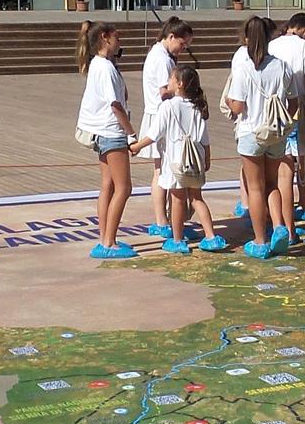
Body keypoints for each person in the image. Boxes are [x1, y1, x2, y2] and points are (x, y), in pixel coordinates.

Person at [224, 15, 297, 259]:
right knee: (273, 183)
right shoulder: (282, 66)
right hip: (275, 132)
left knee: (255, 188)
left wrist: (228, 101)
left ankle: (260, 239)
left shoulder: (244, 68)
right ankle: (279, 225)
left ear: (246, 39)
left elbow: (237, 107)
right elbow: (294, 101)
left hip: (250, 131)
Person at [129, 65, 215, 253]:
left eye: (171, 78)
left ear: (179, 84)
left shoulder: (168, 106)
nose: (168, 81)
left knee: (177, 200)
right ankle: (211, 235)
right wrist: (207, 159)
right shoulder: (197, 107)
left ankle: (177, 240)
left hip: (176, 161)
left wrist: (136, 146)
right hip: (195, 160)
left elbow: (154, 134)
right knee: (197, 198)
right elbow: (205, 138)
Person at [74, 21, 137, 260]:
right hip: (111, 132)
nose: (120, 41)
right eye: (116, 37)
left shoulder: (100, 65)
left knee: (108, 185)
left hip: (99, 132)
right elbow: (116, 104)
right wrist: (131, 133)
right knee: (123, 187)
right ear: (105, 37)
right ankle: (109, 242)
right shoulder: (106, 69)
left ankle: (105, 237)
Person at [270, 12, 305, 242]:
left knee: (284, 174)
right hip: (302, 112)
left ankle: (289, 229)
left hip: (278, 114)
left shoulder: (272, 45)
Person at [139, 16, 192, 235]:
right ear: (171, 37)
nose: (183, 48)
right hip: (159, 116)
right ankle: (162, 221)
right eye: (182, 44)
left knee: (164, 168)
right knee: (161, 170)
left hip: (161, 115)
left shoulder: (162, 55)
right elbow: (164, 92)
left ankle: (168, 220)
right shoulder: (161, 59)